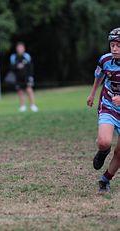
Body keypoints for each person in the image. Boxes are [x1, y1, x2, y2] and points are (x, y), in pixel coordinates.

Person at [87, 27, 120, 193]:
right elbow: (98, 76)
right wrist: (92, 94)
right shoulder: (106, 60)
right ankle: (103, 151)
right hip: (109, 106)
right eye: (112, 45)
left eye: (118, 45)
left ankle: (105, 179)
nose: (114, 48)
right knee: (104, 141)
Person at [10, 42, 38, 112]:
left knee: (29, 90)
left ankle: (33, 105)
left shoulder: (27, 56)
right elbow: (11, 67)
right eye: (18, 48)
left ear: (24, 48)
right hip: (18, 78)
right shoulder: (13, 57)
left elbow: (31, 67)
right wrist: (17, 66)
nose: (20, 49)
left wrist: (31, 76)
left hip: (26, 77)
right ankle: (22, 106)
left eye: (21, 48)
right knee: (20, 92)